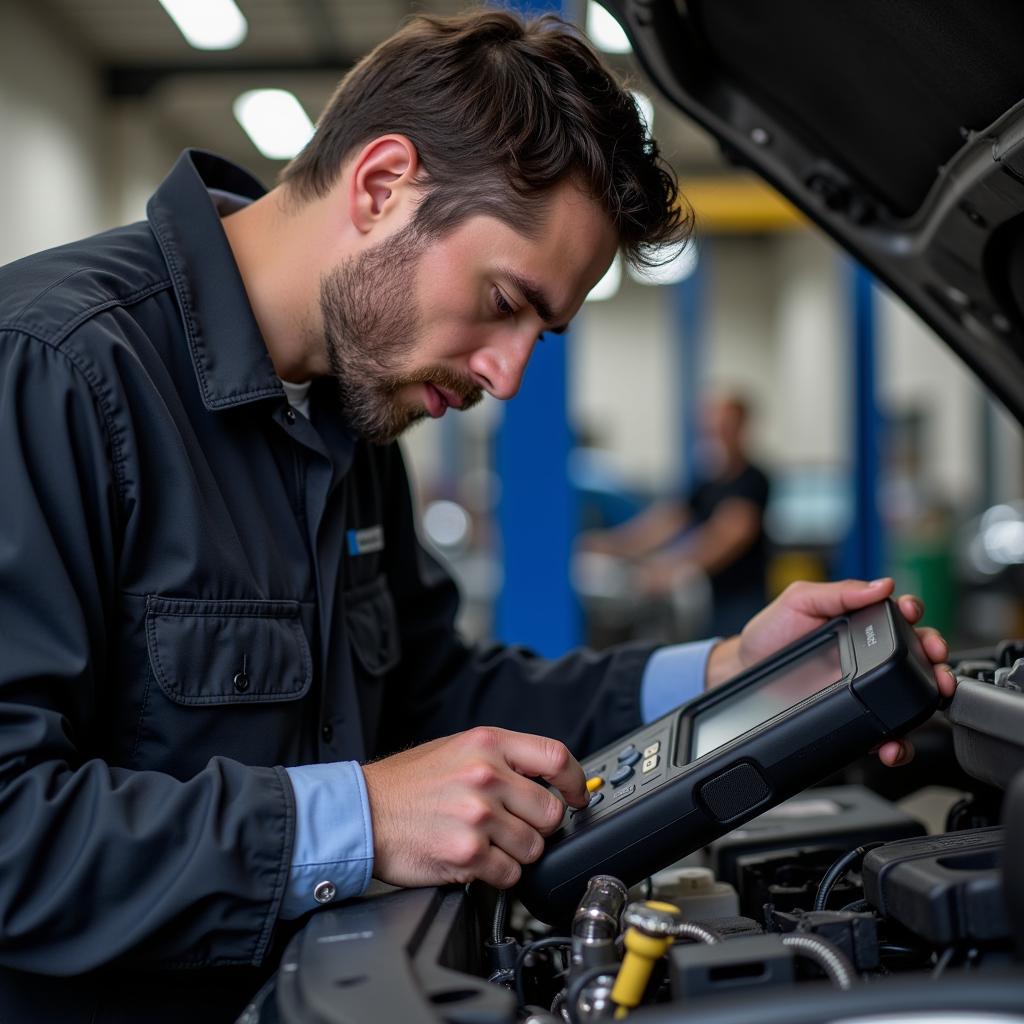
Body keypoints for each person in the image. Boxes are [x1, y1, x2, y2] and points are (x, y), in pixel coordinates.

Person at [0, 10, 954, 1022]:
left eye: (540, 331)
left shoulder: (344, 421)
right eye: (503, 299)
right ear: (380, 186)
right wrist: (359, 817)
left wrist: (720, 680)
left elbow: (431, 695)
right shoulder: (50, 372)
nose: (506, 373)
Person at [581, 394, 771, 637]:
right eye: (711, 428)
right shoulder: (709, 480)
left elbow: (726, 537)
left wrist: (668, 569)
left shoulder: (753, 480)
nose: (716, 434)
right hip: (709, 598)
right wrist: (615, 545)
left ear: (741, 428)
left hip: (741, 602)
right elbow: (670, 520)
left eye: (724, 426)